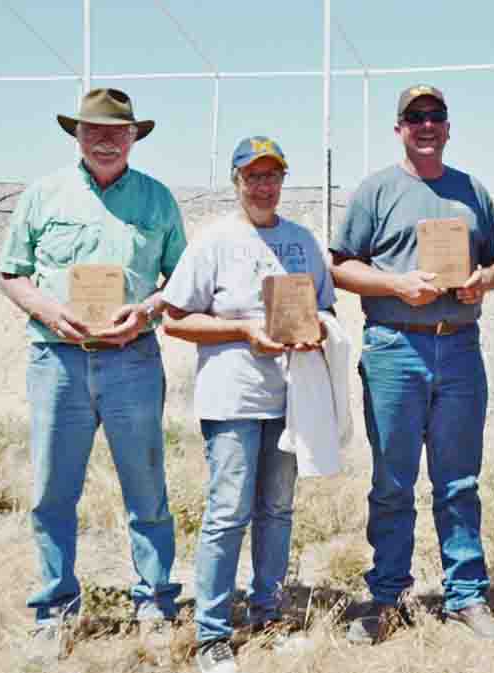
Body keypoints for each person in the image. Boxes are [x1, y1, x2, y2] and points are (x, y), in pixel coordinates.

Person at [0, 88, 185, 649]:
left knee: (146, 488)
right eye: (94, 130)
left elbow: (181, 281)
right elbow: (11, 273)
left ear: (134, 137)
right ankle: (54, 607)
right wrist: (49, 311)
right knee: (53, 489)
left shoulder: (157, 200)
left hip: (133, 360)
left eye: (117, 131)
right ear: (76, 135)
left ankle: (154, 601)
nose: (105, 140)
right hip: (57, 361)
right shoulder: (42, 195)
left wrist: (146, 310)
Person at [329, 84, 494, 644]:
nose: (426, 125)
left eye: (435, 116)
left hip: (458, 345)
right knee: (392, 480)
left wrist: (484, 279)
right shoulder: (376, 191)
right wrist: (395, 284)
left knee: (459, 481)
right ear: (400, 128)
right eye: (415, 118)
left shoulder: (470, 191)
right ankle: (387, 597)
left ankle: (465, 596)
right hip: (395, 346)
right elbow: (339, 267)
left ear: (449, 127)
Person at [161, 137, 334, 673]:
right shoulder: (214, 241)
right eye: (253, 176)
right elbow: (174, 318)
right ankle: (212, 632)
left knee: (278, 510)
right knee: (227, 513)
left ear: (283, 180)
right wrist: (241, 330)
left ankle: (269, 613)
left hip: (290, 399)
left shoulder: (302, 241)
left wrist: (317, 332)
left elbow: (326, 308)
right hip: (233, 398)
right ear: (236, 182)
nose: (264, 186)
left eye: (272, 175)